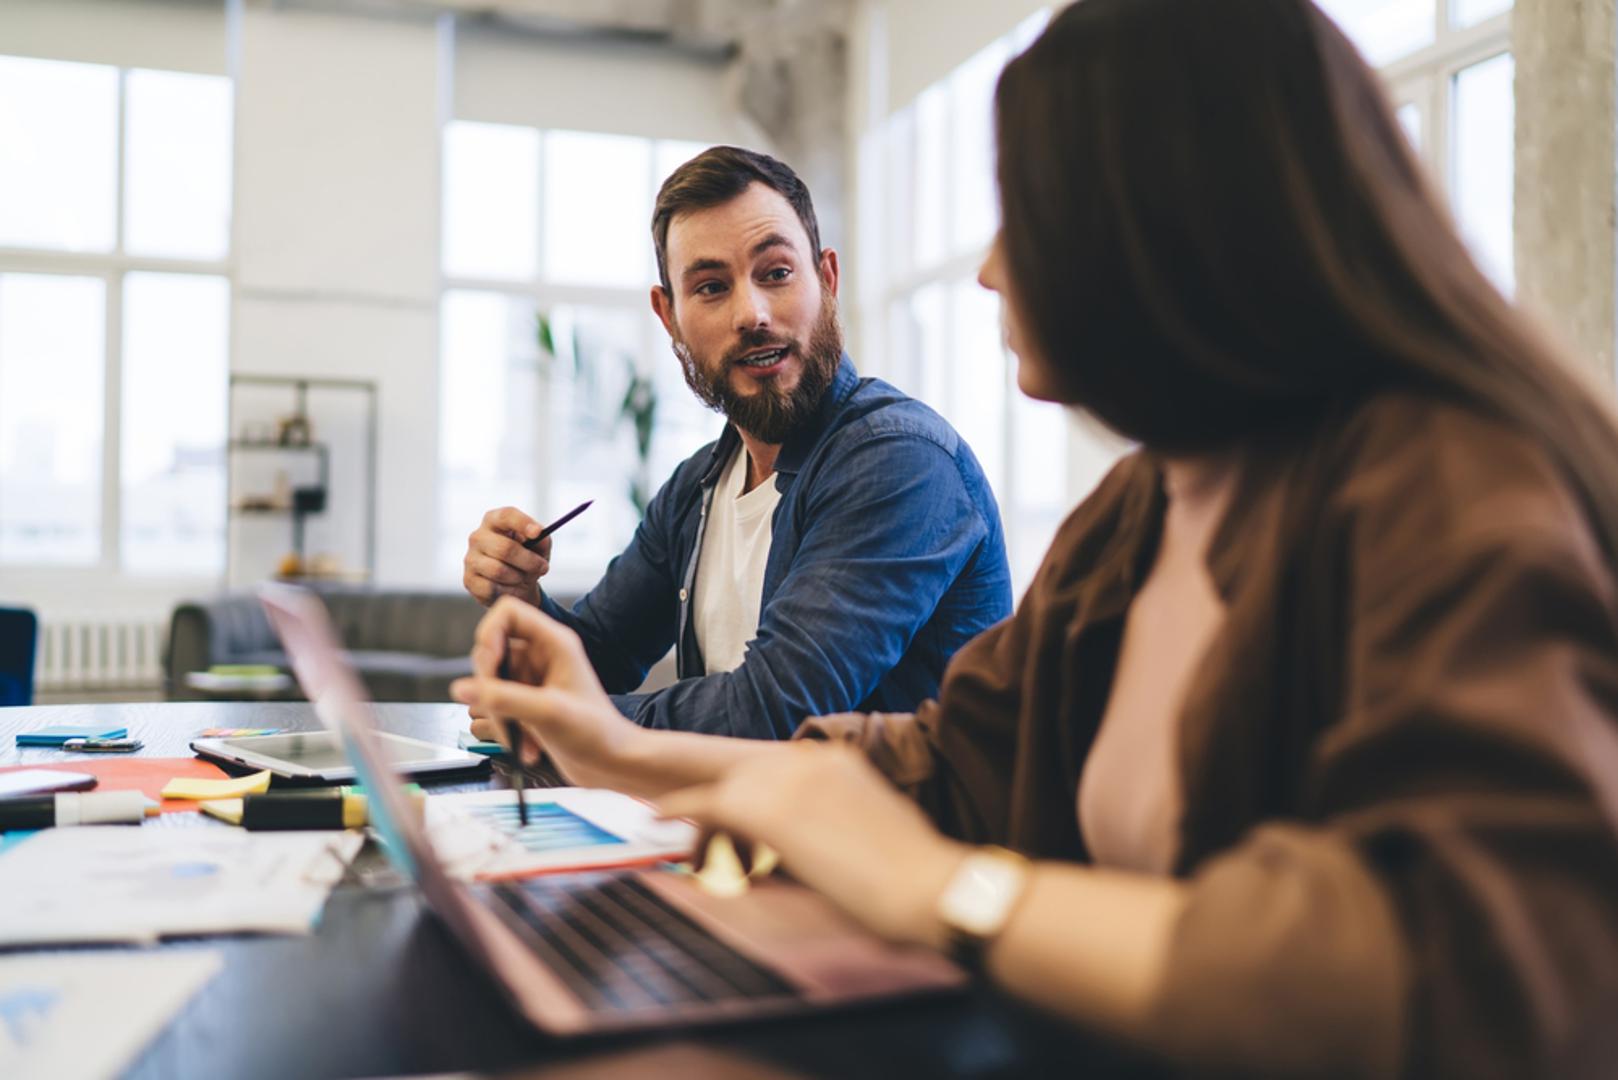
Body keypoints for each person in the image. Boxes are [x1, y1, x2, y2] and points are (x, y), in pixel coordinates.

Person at [453, 0, 1618, 1074]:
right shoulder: (1142, 509)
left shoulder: (1449, 486)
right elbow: (955, 760)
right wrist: (609, 748)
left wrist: (952, 894)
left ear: (1162, 222)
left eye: (1028, 214)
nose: (992, 268)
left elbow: (1468, 960)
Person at [462, 146, 1011, 738]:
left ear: (826, 280)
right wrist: (522, 596)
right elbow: (597, 659)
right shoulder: (699, 486)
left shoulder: (899, 461)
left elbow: (777, 714)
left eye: (776, 273)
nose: (752, 313)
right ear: (668, 316)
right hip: (730, 825)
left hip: (887, 829)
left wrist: (561, 717)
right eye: (711, 287)